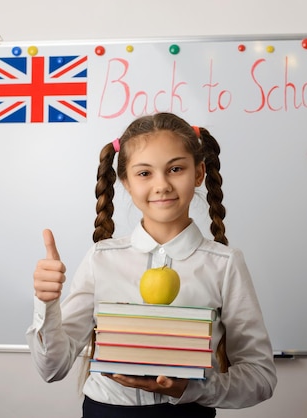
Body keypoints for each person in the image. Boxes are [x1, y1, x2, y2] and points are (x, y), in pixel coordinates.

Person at [26, 112, 277, 417]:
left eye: (175, 169)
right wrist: (46, 303)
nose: (162, 185)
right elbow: (53, 368)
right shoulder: (100, 259)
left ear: (198, 173)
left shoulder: (224, 263)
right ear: (126, 182)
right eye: (144, 173)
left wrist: (190, 389)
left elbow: (261, 378)